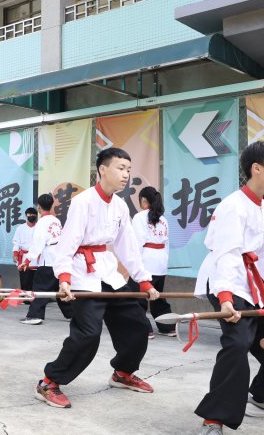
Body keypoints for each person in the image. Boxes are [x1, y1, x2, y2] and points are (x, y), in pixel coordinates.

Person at [193, 141, 264, 435]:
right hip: (226, 282)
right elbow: (227, 255)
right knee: (237, 344)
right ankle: (214, 419)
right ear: (256, 169)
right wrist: (225, 299)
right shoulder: (234, 206)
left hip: (251, 283)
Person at [34, 147, 159, 409]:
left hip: (107, 273)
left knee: (137, 325)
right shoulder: (84, 202)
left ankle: (123, 372)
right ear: (103, 169)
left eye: (128, 169)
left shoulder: (120, 205)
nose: (125, 174)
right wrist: (64, 278)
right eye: (120, 168)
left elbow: (127, 245)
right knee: (88, 334)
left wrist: (143, 280)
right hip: (81, 274)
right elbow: (67, 244)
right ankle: (49, 382)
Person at [129, 186, 175, 338]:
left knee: (137, 296)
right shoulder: (163, 219)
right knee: (158, 297)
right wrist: (164, 262)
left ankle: (144, 328)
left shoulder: (139, 217)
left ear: (143, 200)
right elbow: (167, 244)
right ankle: (167, 327)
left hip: (146, 261)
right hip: (160, 261)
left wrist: (136, 265)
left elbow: (138, 242)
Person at [20, 194, 73, 325]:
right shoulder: (57, 220)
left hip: (48, 259)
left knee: (41, 288)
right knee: (59, 289)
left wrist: (27, 261)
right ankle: (72, 314)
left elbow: (37, 243)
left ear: (38, 207)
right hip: (59, 258)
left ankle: (35, 316)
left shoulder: (42, 223)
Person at [12, 207, 37, 291]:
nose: (31, 216)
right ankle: (25, 296)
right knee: (25, 278)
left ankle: (36, 297)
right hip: (24, 256)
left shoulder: (39, 228)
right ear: (26, 216)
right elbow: (16, 242)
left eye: (33, 215)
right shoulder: (20, 228)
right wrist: (15, 253)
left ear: (36, 216)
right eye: (29, 215)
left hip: (36, 257)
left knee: (36, 278)